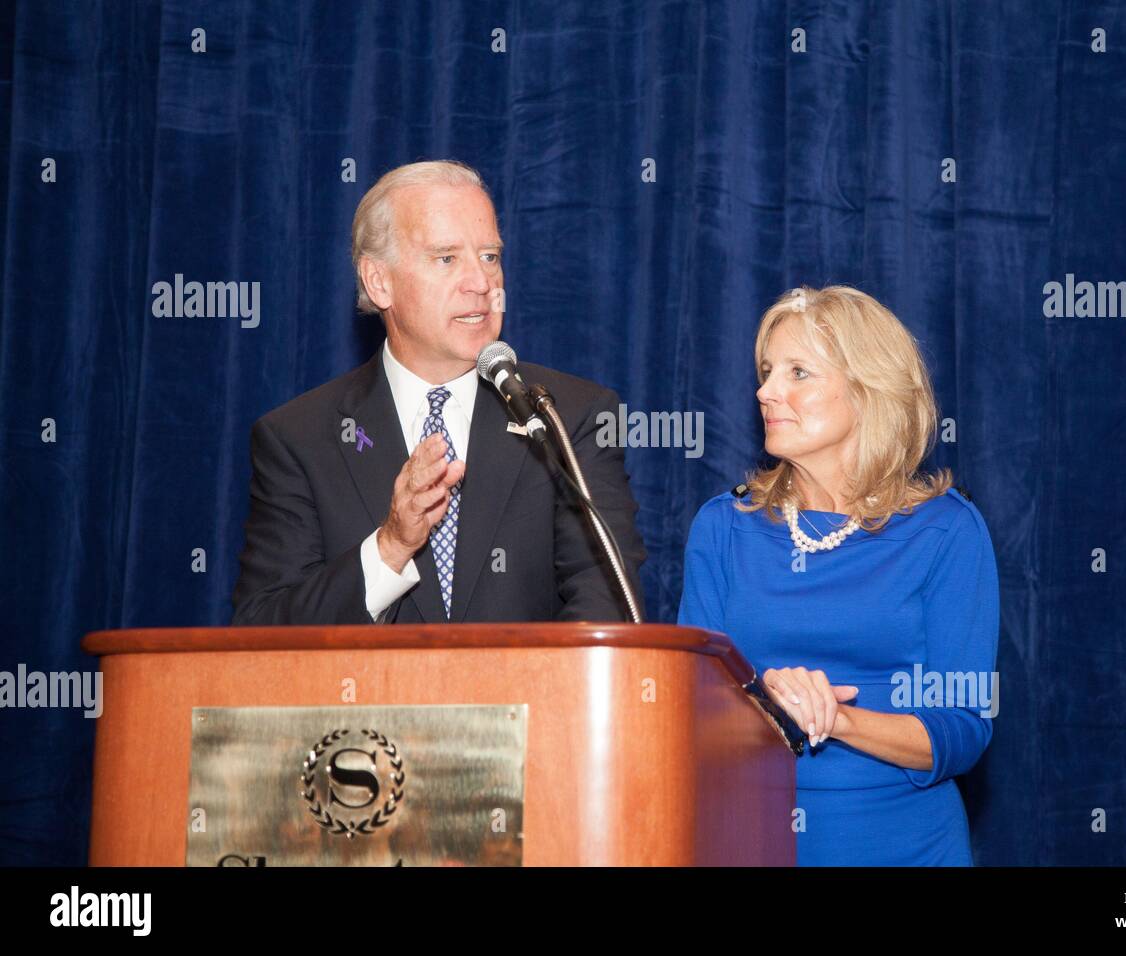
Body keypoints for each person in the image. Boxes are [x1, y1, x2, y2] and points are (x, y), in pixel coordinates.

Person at [232, 161, 645, 625]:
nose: (483, 283)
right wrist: (390, 548)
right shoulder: (300, 439)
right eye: (447, 258)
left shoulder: (565, 419)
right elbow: (263, 631)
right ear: (378, 281)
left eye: (490, 256)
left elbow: (606, 605)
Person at [677, 285, 999, 865]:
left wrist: (837, 718)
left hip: (906, 848)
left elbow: (962, 730)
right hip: (749, 840)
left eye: (798, 372)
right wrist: (760, 700)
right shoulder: (724, 527)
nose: (766, 391)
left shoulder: (945, 532)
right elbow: (684, 712)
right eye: (768, 370)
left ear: (869, 391)